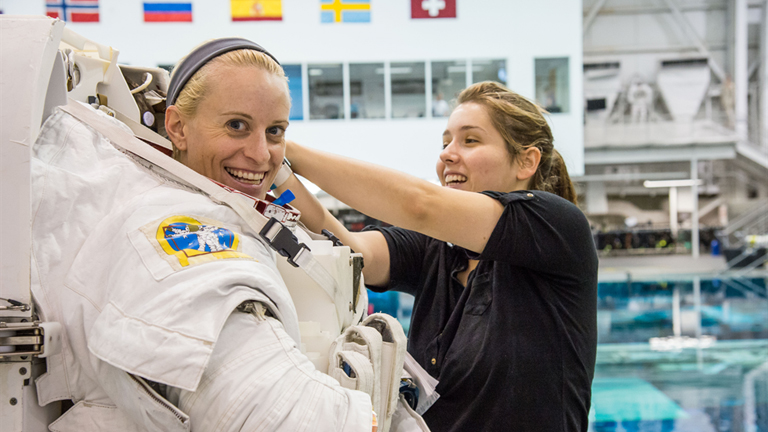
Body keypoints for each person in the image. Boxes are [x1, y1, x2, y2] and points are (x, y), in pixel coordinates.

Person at [30, 38, 375, 431]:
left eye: (275, 131)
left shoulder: (198, 201)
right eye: (236, 126)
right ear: (177, 127)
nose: (261, 154)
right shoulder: (176, 224)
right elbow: (268, 410)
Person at [273, 81, 598, 431]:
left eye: (470, 140)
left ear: (526, 161)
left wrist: (280, 146)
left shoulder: (559, 228)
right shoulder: (439, 249)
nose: (447, 154)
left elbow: (420, 204)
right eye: (445, 143)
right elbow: (348, 249)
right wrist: (276, 170)